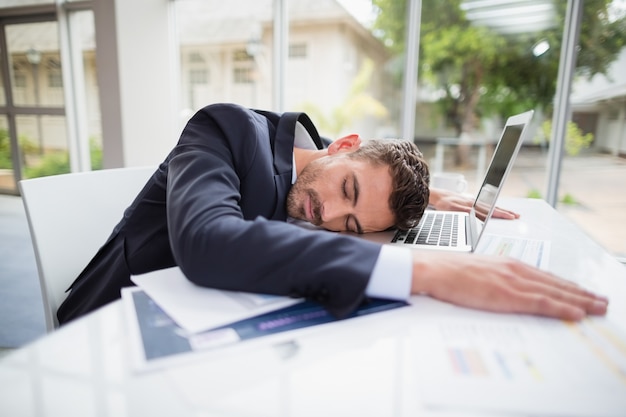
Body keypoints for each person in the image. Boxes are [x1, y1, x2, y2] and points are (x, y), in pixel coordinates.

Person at [56, 103, 608, 325]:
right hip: (110, 328)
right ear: (343, 145)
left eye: (349, 224)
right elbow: (208, 242)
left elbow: (332, 183)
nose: (327, 214)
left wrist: (427, 196)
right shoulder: (223, 130)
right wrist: (429, 270)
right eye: (347, 187)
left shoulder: (333, 168)